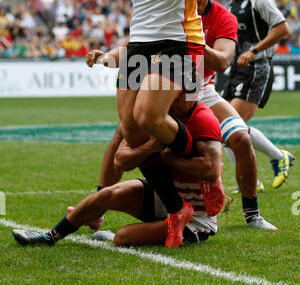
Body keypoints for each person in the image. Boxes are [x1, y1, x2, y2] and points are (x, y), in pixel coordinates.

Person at [20, 0, 262, 244]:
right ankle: (176, 206)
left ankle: (207, 181)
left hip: (181, 41)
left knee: (148, 116)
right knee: (131, 133)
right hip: (140, 43)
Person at [85, 0, 278, 230]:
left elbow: (222, 62)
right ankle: (98, 207)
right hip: (168, 86)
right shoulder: (166, 11)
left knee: (241, 137)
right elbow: (135, 48)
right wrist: (108, 57)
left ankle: (252, 214)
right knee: (123, 133)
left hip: (203, 90)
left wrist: (194, 40)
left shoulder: (223, 17)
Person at [12, 94, 224, 248]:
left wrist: (170, 159)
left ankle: (186, 227)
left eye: (173, 97)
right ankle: (51, 236)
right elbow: (121, 161)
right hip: (166, 192)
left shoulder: (202, 117)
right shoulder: (152, 115)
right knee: (106, 195)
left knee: (122, 237)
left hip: (196, 215)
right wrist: (151, 148)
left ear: (188, 94)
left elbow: (211, 169)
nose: (168, 102)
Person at [223, 0, 294, 189]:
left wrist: (253, 51)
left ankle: (277, 157)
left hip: (257, 67)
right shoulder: (230, 3)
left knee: (230, 125)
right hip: (237, 68)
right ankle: (254, 179)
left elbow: (283, 28)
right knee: (221, 128)